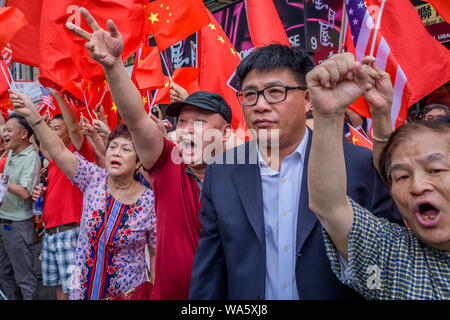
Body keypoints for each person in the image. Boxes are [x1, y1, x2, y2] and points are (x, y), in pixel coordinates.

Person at [189, 45, 402, 300]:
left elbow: (390, 262)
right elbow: (210, 269)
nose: (260, 105)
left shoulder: (358, 165)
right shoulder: (221, 170)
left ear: (308, 99)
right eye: (250, 94)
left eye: (275, 92)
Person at [65, 8, 232, 299]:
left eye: (201, 123)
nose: (188, 130)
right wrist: (114, 66)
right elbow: (137, 119)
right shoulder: (168, 164)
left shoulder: (243, 178)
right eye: (182, 122)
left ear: (226, 133)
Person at [307, 53, 450, 299]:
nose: (417, 186)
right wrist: (328, 116)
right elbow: (330, 208)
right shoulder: (392, 256)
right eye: (402, 177)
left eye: (435, 170)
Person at [9, 90, 157, 300]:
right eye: (112, 147)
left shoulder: (149, 201)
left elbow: (154, 252)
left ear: (138, 162)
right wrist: (34, 118)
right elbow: (59, 151)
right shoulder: (93, 178)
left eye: (125, 149)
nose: (115, 152)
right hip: (83, 288)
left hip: (127, 294)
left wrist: (154, 289)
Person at [30, 89, 95, 300]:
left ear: (68, 133)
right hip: (49, 233)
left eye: (56, 128)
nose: (52, 132)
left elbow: (75, 128)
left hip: (71, 232)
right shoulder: (55, 160)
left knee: (75, 288)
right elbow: (45, 147)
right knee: (59, 286)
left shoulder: (77, 154)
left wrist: (57, 94)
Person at [0, 112, 40, 300]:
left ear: (23, 134)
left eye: (8, 130)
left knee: (24, 276)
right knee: (4, 272)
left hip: (18, 225)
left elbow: (25, 192)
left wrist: (2, 181)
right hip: (4, 221)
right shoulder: (11, 153)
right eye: (3, 129)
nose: (4, 133)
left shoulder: (31, 157)